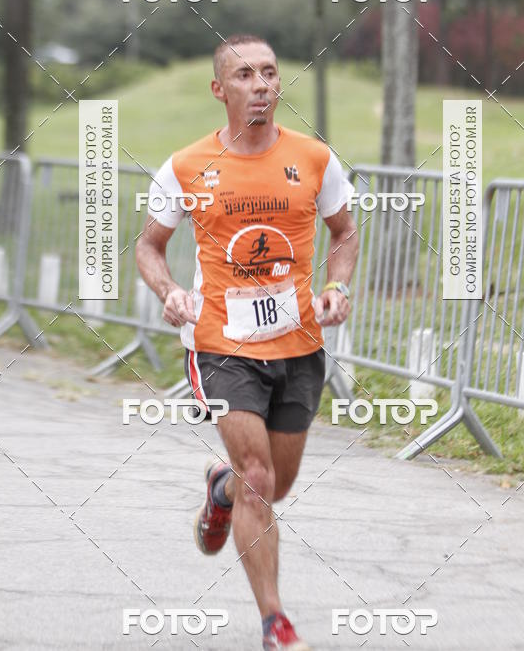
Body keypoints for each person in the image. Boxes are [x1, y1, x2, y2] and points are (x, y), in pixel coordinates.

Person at [136, 34, 359, 650]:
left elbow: (344, 234)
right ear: (220, 90)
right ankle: (275, 623)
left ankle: (220, 490)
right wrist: (169, 291)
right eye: (244, 75)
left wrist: (339, 290)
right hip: (221, 344)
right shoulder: (186, 165)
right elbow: (148, 246)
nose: (261, 84)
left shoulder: (314, 158)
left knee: (271, 485)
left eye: (269, 73)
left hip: (299, 344)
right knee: (259, 476)